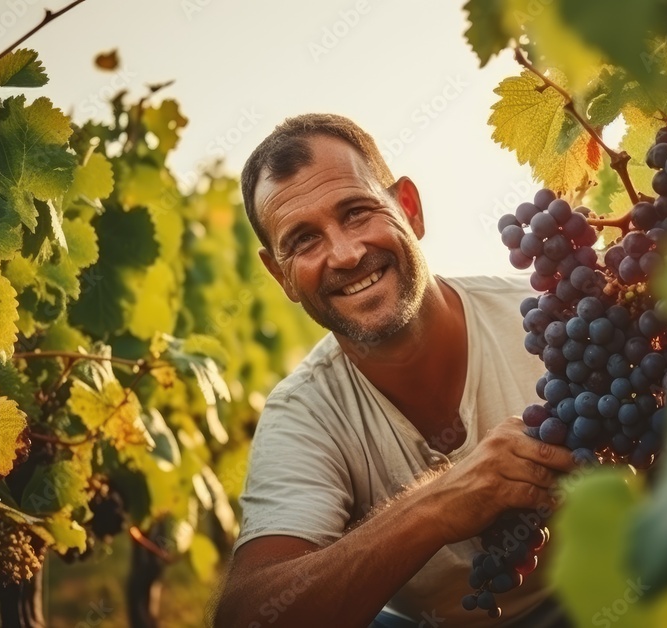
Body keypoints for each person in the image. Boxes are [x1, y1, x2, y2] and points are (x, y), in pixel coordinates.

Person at [212, 114, 576, 628]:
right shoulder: (305, 412)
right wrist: (438, 506)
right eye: (303, 241)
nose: (345, 253)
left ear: (409, 208)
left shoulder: (552, 322)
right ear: (280, 275)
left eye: (357, 212)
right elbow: (247, 618)